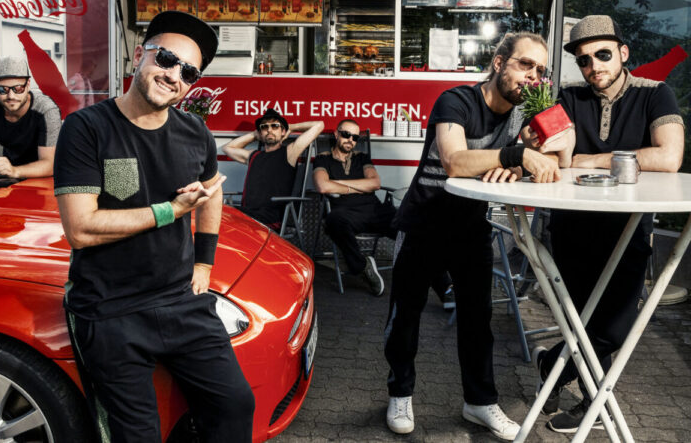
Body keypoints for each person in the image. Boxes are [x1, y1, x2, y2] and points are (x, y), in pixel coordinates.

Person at [53, 11, 255, 443]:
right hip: (110, 309)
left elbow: (212, 192)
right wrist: (170, 211)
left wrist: (204, 264)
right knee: (138, 435)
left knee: (235, 405)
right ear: (137, 56)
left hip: (180, 300)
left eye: (188, 72)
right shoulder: (86, 128)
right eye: (165, 58)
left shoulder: (195, 132)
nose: (173, 75)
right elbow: (81, 229)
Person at [383, 32, 560, 440]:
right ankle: (400, 393)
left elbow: (555, 153)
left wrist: (519, 162)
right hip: (424, 222)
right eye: (525, 64)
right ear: (498, 63)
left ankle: (479, 402)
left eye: (539, 70)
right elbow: (455, 160)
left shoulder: (522, 113)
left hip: (470, 226)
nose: (532, 76)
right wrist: (515, 156)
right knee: (405, 316)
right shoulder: (456, 101)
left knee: (478, 321)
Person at [524, 15, 684, 433]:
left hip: (628, 228)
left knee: (614, 329)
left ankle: (551, 365)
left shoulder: (655, 93)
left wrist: (591, 160)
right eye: (584, 59)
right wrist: (540, 142)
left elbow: (669, 157)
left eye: (603, 54)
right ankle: (592, 405)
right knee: (583, 322)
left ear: (623, 52)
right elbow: (557, 157)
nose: (594, 66)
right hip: (572, 227)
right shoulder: (569, 96)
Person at [312, 119, 395, 296]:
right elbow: (323, 186)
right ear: (336, 134)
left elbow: (375, 183)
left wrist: (339, 184)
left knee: (407, 221)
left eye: (355, 137)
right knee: (333, 221)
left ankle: (439, 281)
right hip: (345, 214)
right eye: (346, 134)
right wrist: (359, 186)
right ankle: (363, 266)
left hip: (374, 210)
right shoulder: (322, 159)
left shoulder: (362, 158)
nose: (350, 139)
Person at [222, 108, 323, 227]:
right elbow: (227, 148)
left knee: (219, 213)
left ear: (283, 131)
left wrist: (291, 127)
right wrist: (255, 135)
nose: (269, 130)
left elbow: (319, 125)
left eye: (275, 126)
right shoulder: (253, 156)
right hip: (247, 215)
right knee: (214, 211)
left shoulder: (289, 152)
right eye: (264, 127)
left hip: (269, 219)